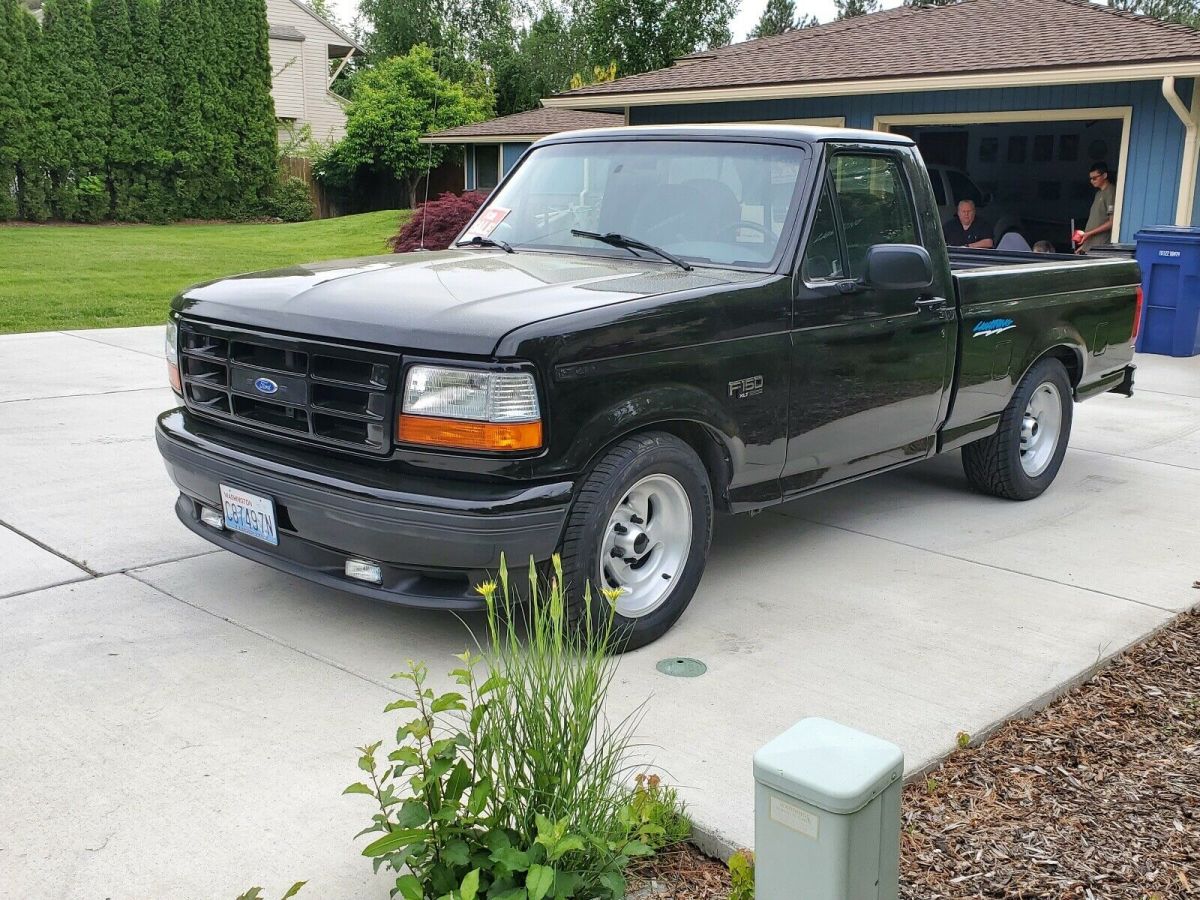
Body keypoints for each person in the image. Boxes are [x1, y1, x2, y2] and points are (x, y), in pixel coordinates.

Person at [1075, 162, 1116, 254]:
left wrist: (1088, 234)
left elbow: (1112, 222)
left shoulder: (1111, 192)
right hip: (1091, 245)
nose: (1092, 181)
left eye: (1094, 178)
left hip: (1101, 246)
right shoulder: (1098, 194)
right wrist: (1085, 245)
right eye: (1090, 179)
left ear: (1104, 175)